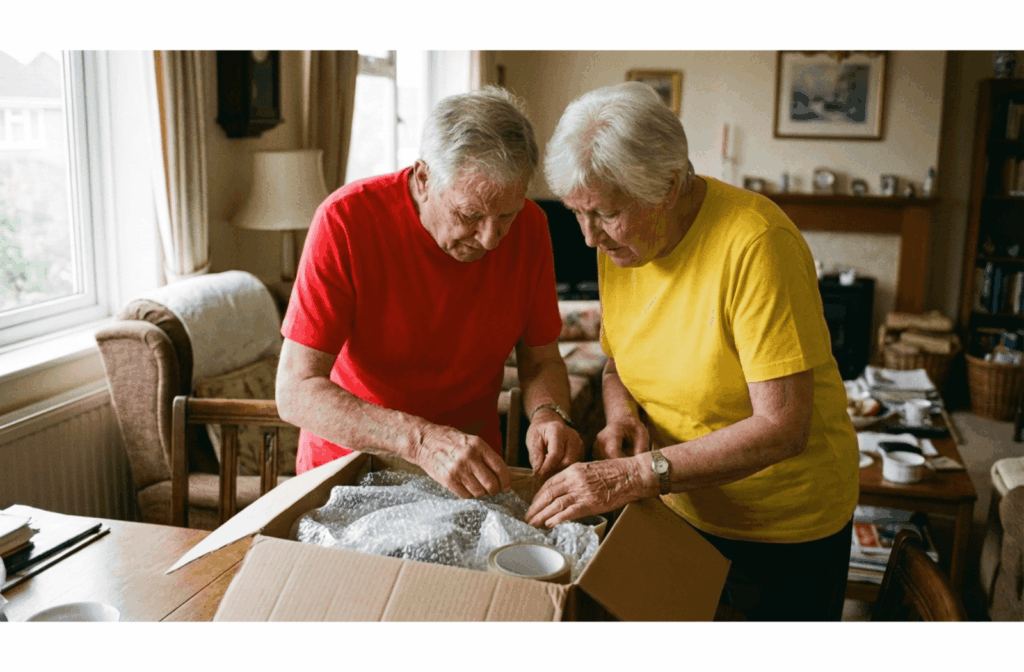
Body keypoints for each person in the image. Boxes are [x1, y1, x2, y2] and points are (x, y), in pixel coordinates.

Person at [526, 82, 859, 621]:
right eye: (577, 214)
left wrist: (630, 476)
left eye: (606, 214)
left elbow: (783, 426)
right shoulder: (620, 244)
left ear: (671, 185)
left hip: (781, 527)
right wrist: (621, 415)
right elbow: (618, 362)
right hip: (678, 503)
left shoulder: (756, 243)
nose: (590, 239)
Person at [276, 87, 583, 499]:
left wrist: (549, 416)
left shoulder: (532, 227)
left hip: (469, 475)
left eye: (506, 215)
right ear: (423, 179)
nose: (491, 239)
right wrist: (419, 440)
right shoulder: (346, 219)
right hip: (351, 471)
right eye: (469, 214)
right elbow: (295, 390)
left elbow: (542, 361)